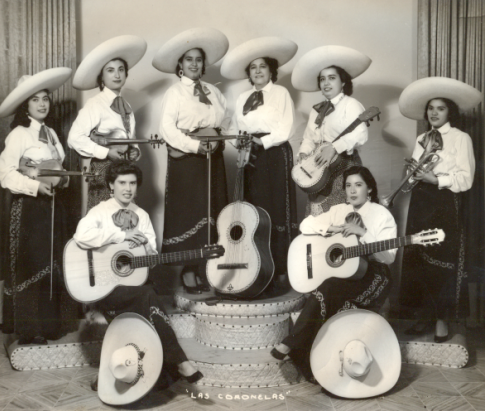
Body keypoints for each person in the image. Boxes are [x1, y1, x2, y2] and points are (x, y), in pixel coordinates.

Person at [73, 161, 203, 384]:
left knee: (147, 293)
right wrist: (119, 238)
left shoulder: (141, 215)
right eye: (122, 182)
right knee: (148, 296)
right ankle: (180, 362)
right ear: (111, 185)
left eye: (132, 183)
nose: (128, 188)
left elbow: (151, 261)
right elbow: (80, 237)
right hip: (105, 286)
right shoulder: (100, 211)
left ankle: (141, 368)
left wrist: (146, 249)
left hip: (134, 285)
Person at [270, 166, 397, 381]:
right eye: (348, 185)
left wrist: (363, 233)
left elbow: (389, 257)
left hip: (374, 275)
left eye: (358, 185)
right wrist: (334, 229)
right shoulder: (338, 210)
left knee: (327, 290)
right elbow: (306, 224)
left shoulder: (381, 214)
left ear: (370, 190)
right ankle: (310, 362)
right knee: (328, 288)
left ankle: (293, 344)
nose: (353, 190)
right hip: (345, 274)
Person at [0, 68, 79, 345]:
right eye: (35, 100)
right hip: (30, 209)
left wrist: (64, 181)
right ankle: (30, 331)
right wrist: (34, 187)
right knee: (33, 264)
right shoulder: (19, 134)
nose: (43, 104)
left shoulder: (52, 134)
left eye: (46, 98)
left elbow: (57, 169)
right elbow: (5, 173)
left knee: (54, 261)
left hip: (55, 207)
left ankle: (52, 326)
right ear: (25, 105)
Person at [398, 77, 480, 342]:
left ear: (450, 112)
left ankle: (441, 320)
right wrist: (410, 174)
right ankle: (423, 317)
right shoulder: (422, 137)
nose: (433, 112)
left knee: (441, 261)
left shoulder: (460, 138)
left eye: (440, 108)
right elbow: (413, 177)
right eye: (431, 108)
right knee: (417, 258)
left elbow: (466, 179)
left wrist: (437, 180)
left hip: (445, 202)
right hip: (421, 201)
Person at [152, 28, 230, 294]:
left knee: (212, 212)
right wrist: (196, 146)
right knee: (190, 213)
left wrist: (221, 138)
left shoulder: (212, 91)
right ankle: (188, 270)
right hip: (188, 160)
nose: (194, 64)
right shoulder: (175, 93)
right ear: (180, 65)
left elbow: (227, 120)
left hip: (213, 159)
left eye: (198, 59)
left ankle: (205, 269)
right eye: (189, 59)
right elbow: (167, 130)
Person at [220, 36, 299, 292]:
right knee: (253, 211)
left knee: (277, 210)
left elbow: (286, 128)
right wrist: (241, 143)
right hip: (250, 155)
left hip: (274, 153)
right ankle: (259, 268)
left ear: (271, 70)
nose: (257, 71)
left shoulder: (281, 93)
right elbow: (233, 128)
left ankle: (282, 272)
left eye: (262, 66)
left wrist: (260, 142)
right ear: (249, 73)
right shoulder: (243, 97)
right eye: (253, 68)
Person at [69, 35, 147, 213]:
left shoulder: (126, 106)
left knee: (126, 220)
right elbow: (74, 138)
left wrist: (135, 149)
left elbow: (130, 138)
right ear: (101, 77)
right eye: (110, 70)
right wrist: (106, 152)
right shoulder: (95, 104)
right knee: (105, 220)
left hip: (126, 169)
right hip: (104, 170)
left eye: (121, 69)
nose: (117, 74)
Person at [292, 46, 371, 217]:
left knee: (341, 216)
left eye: (332, 78)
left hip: (344, 166)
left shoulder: (351, 104)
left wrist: (334, 147)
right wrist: (304, 154)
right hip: (318, 167)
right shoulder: (317, 110)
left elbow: (361, 134)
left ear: (343, 82)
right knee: (317, 217)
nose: (326, 83)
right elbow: (308, 138)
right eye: (322, 79)